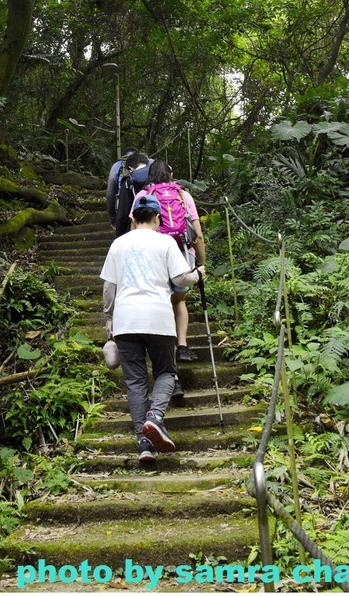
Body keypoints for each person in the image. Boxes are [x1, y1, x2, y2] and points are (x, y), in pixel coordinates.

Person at [100, 193, 205, 464]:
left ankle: (144, 444)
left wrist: (109, 319)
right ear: (158, 217)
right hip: (158, 319)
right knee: (166, 372)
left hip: (126, 321)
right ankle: (155, 418)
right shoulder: (166, 242)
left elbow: (109, 287)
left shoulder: (118, 244)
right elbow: (180, 278)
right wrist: (198, 274)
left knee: (135, 382)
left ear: (133, 217)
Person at [133, 158, 205, 364]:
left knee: (160, 299)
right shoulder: (183, 194)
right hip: (182, 251)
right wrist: (200, 264)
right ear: (170, 175)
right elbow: (198, 235)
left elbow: (134, 229)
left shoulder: (143, 196)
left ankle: (163, 350)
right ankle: (182, 346)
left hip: (153, 254)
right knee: (179, 300)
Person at [105, 147, 151, 236]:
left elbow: (110, 194)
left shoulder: (117, 166)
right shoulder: (151, 165)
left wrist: (113, 218)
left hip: (126, 208)